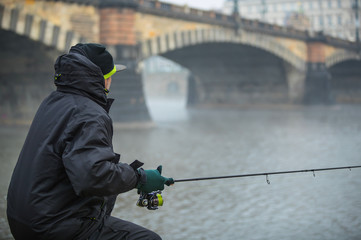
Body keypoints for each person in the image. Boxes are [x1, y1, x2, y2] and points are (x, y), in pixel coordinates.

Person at [7, 43, 174, 240]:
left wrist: (133, 175)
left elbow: (82, 162)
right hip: (55, 226)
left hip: (24, 220)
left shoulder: (53, 101)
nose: (111, 81)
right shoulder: (89, 113)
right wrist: (140, 178)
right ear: (103, 79)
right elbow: (94, 177)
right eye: (110, 76)